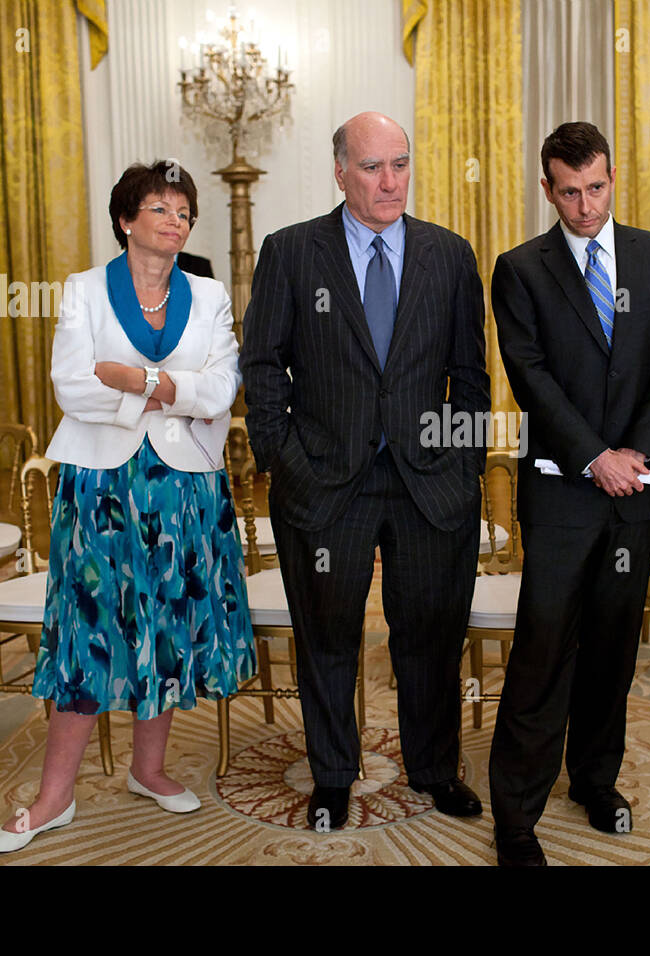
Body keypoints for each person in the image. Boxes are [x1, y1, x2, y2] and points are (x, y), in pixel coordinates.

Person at [0, 161, 255, 852]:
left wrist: (135, 378)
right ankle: (54, 798)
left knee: (166, 626)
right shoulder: (83, 292)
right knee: (89, 631)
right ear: (127, 219)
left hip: (185, 482)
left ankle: (149, 769)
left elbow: (222, 388)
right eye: (160, 208)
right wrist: (171, 390)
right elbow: (73, 390)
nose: (175, 221)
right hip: (102, 485)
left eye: (184, 212)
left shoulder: (210, 294)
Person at [241, 111, 489, 831]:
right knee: (327, 638)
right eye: (374, 167)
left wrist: (463, 467)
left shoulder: (449, 254)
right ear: (341, 171)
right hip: (324, 483)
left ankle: (436, 770)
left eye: (401, 164)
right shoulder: (291, 252)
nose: (391, 181)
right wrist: (282, 461)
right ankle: (333, 776)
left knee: (431, 636)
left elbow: (469, 377)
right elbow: (262, 365)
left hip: (430, 486)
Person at [487, 122, 650, 866]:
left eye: (596, 188)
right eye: (568, 192)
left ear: (613, 177)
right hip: (564, 495)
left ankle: (595, 783)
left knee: (612, 650)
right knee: (544, 653)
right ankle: (516, 815)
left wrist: (632, 453)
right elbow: (530, 377)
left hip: (634, 489)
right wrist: (593, 456)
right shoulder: (521, 270)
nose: (584, 205)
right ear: (548, 189)